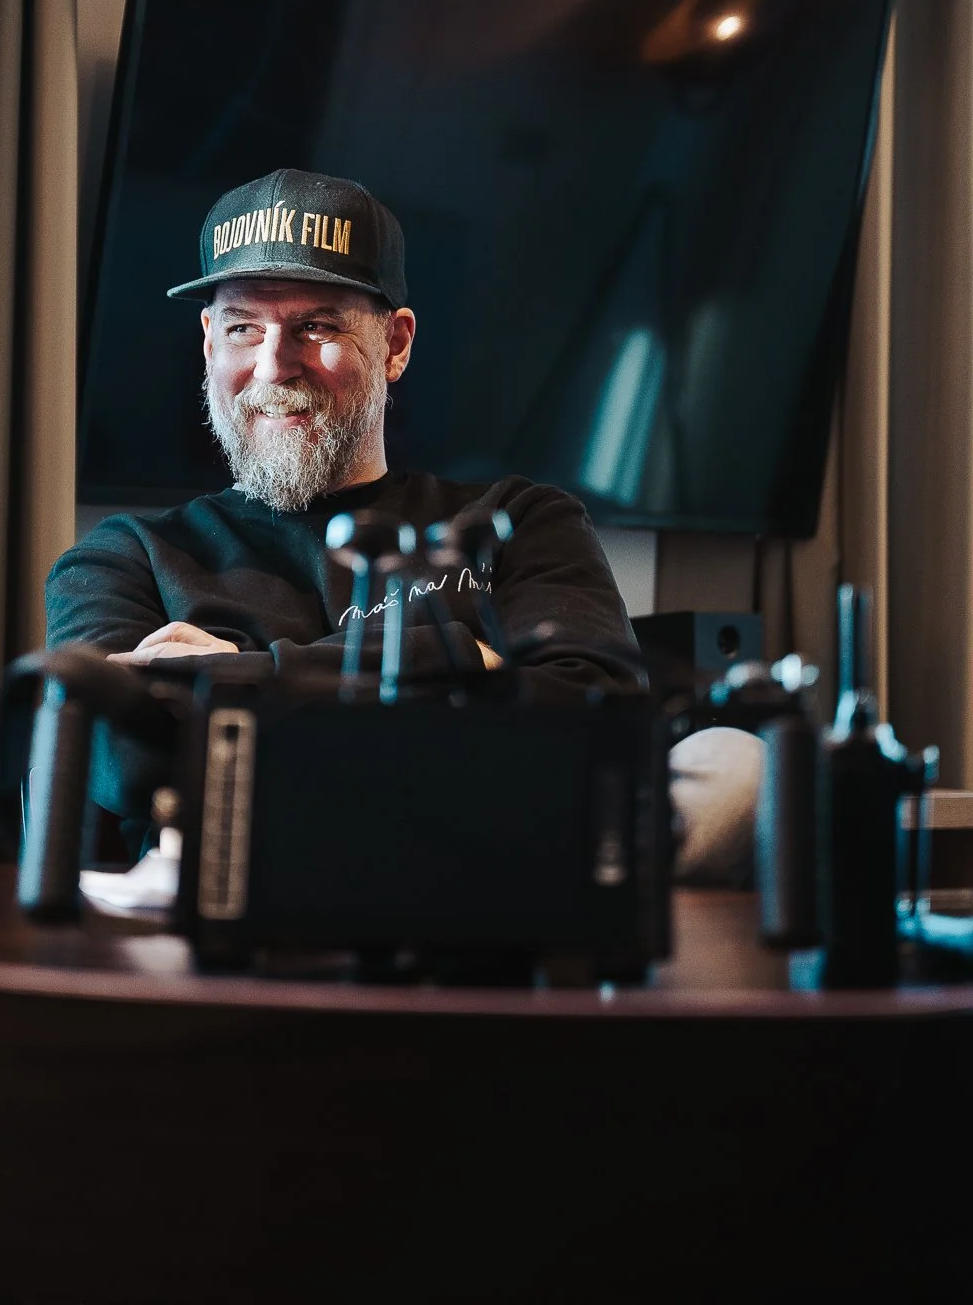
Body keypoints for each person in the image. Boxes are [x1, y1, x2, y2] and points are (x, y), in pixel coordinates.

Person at [36, 168, 674, 861]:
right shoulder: (121, 558)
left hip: (478, 896)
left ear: (395, 344)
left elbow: (601, 709)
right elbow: (126, 765)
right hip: (230, 904)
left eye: (315, 326)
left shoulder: (519, 520)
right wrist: (466, 658)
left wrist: (234, 677)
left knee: (725, 768)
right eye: (244, 327)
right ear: (209, 342)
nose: (273, 366)